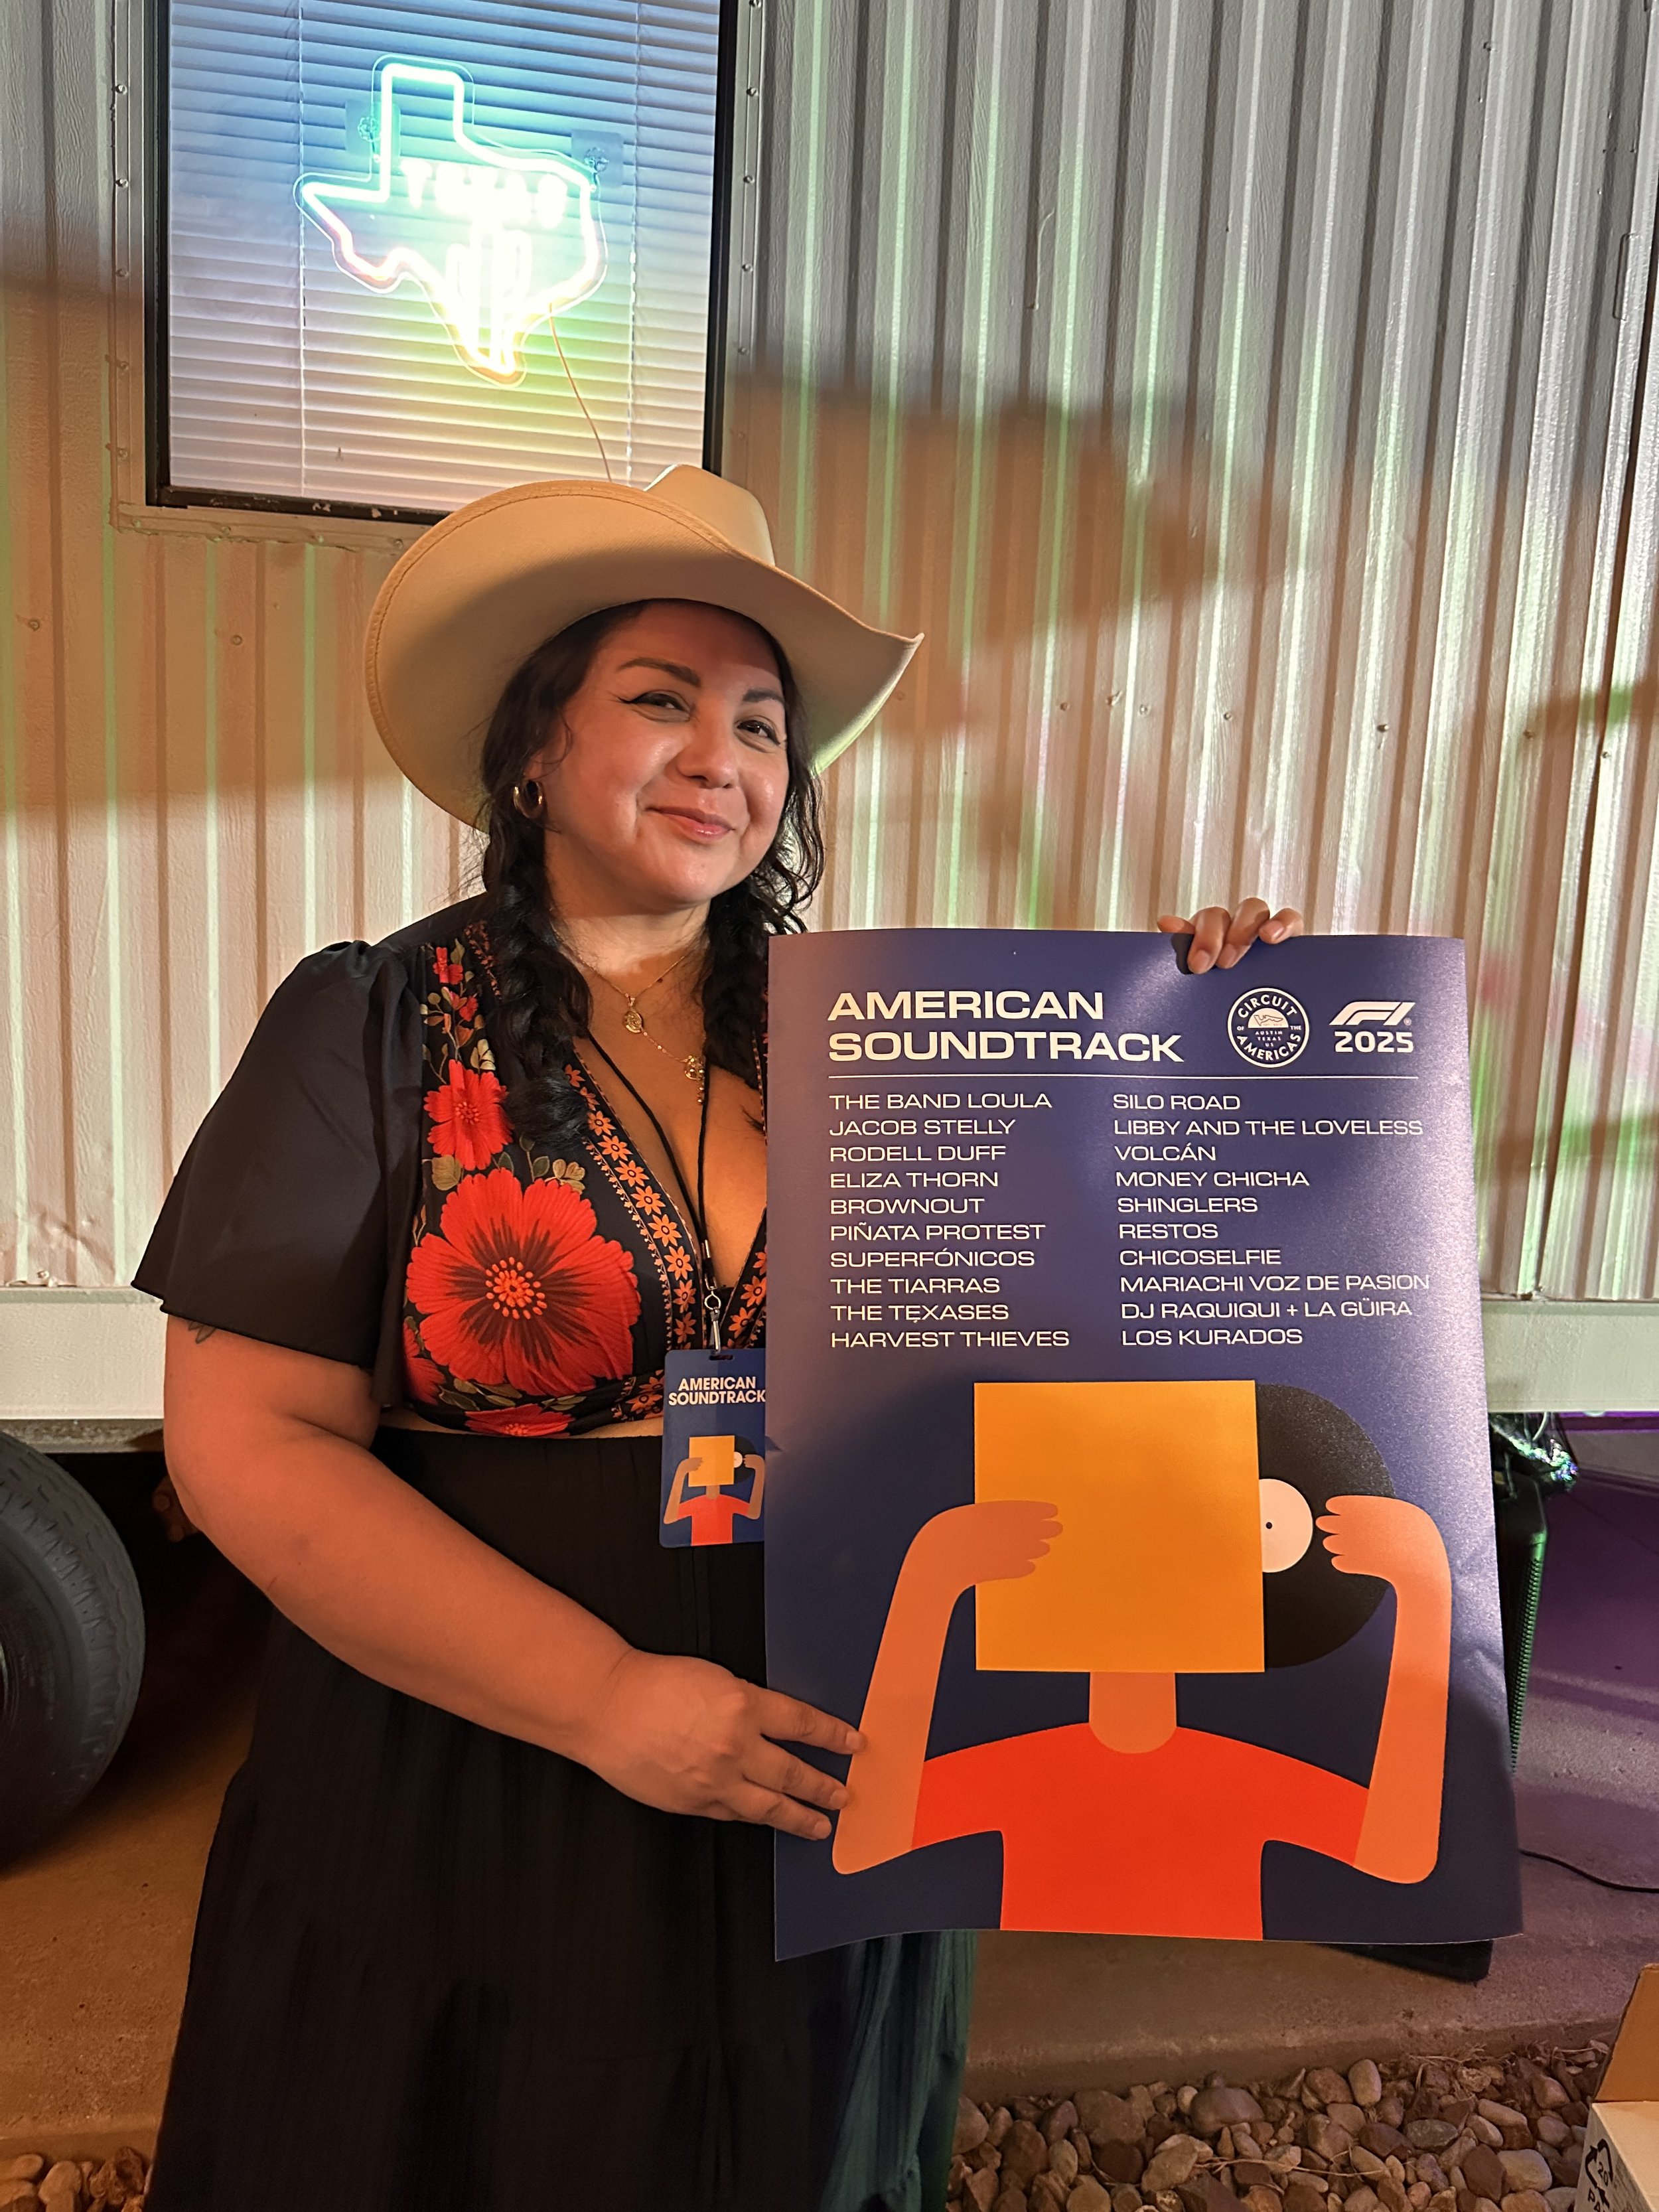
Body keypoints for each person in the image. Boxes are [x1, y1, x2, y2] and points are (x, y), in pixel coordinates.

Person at [133, 463, 1299, 2211]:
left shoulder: (889, 1035)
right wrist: (607, 1699)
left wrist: (1183, 1027)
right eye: (660, 702)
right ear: (530, 751)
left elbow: (1077, 1324)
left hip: (827, 1743)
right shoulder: (375, 1023)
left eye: (759, 724)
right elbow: (245, 1449)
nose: (722, 757)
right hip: (476, 1771)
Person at [831, 1383, 1453, 1939]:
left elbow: (1398, 1855)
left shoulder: (1232, 1775)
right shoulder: (1032, 1768)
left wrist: (1426, 1593)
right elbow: (864, 1840)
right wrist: (926, 1588)